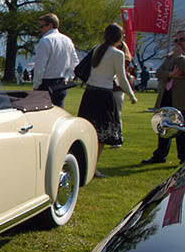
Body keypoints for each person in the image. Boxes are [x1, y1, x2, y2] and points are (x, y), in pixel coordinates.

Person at [77, 23, 137, 178]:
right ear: (119, 37)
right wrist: (132, 95)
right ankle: (92, 168)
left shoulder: (97, 49)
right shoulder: (118, 54)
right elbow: (122, 79)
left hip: (90, 93)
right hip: (104, 95)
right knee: (102, 135)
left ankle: (83, 165)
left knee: (89, 130)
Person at [142, 30, 185, 164]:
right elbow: (159, 72)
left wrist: (179, 57)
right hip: (166, 95)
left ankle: (183, 158)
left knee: (181, 129)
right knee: (163, 125)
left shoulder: (178, 57)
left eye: (182, 40)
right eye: (176, 40)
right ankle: (160, 156)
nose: (178, 43)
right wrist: (171, 74)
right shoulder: (170, 57)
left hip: (181, 99)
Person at [33, 13, 80, 107]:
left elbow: (40, 66)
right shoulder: (68, 40)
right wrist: (68, 77)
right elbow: (75, 63)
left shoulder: (45, 40)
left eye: (42, 26)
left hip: (46, 83)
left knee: (44, 112)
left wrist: (36, 85)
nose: (40, 30)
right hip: (62, 83)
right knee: (59, 112)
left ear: (50, 25)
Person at [111, 42, 136, 148]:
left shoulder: (123, 59)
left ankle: (118, 138)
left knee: (117, 114)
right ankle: (114, 137)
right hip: (113, 88)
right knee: (114, 114)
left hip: (117, 88)